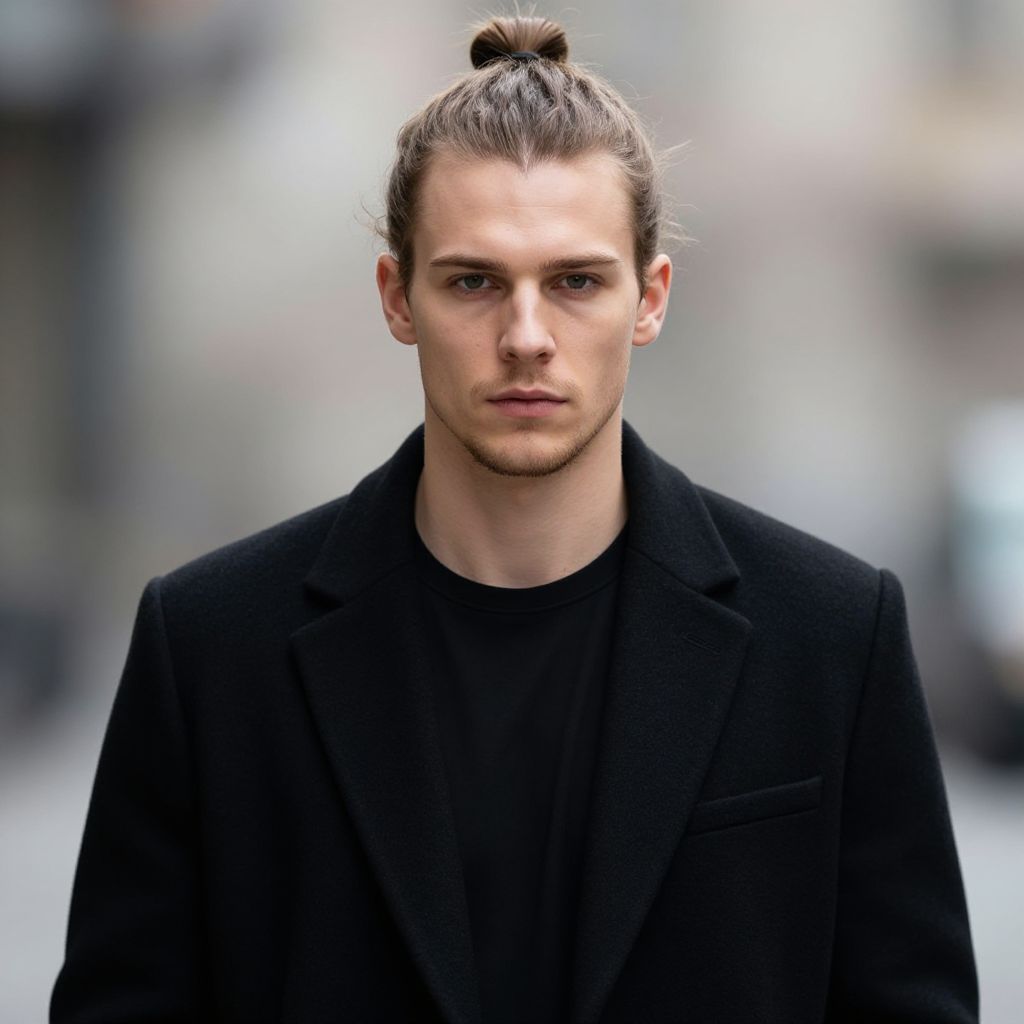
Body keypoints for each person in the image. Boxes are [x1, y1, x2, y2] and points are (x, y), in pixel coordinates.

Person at [51, 14, 978, 1024]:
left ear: (649, 298)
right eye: (474, 282)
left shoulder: (832, 634)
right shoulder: (210, 646)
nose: (526, 336)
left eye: (575, 281)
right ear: (398, 298)